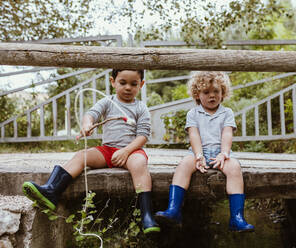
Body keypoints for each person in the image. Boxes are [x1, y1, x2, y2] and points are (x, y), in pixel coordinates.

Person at [22, 69, 160, 234]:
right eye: (123, 83)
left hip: (131, 151)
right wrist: (87, 124)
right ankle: (52, 190)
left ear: (141, 85)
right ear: (113, 82)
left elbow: (143, 136)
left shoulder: (141, 107)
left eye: (133, 84)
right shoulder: (107, 102)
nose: (128, 87)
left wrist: (126, 151)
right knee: (82, 156)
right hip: (107, 150)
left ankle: (146, 214)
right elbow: (91, 114)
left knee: (139, 164)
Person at [155, 71, 254, 232]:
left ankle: (237, 218)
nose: (212, 96)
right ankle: (174, 210)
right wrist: (198, 155)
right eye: (206, 92)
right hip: (198, 152)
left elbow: (227, 134)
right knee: (183, 165)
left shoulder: (226, 112)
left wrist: (224, 154)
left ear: (223, 93)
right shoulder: (193, 113)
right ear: (197, 94)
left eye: (216, 91)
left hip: (221, 153)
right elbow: (194, 135)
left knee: (235, 168)